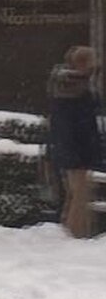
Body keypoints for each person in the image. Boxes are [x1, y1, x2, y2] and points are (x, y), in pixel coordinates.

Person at [48, 46, 102, 239]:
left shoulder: (64, 85)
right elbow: (77, 123)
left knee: (73, 194)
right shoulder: (77, 88)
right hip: (76, 150)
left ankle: (67, 231)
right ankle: (74, 236)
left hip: (68, 149)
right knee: (80, 195)